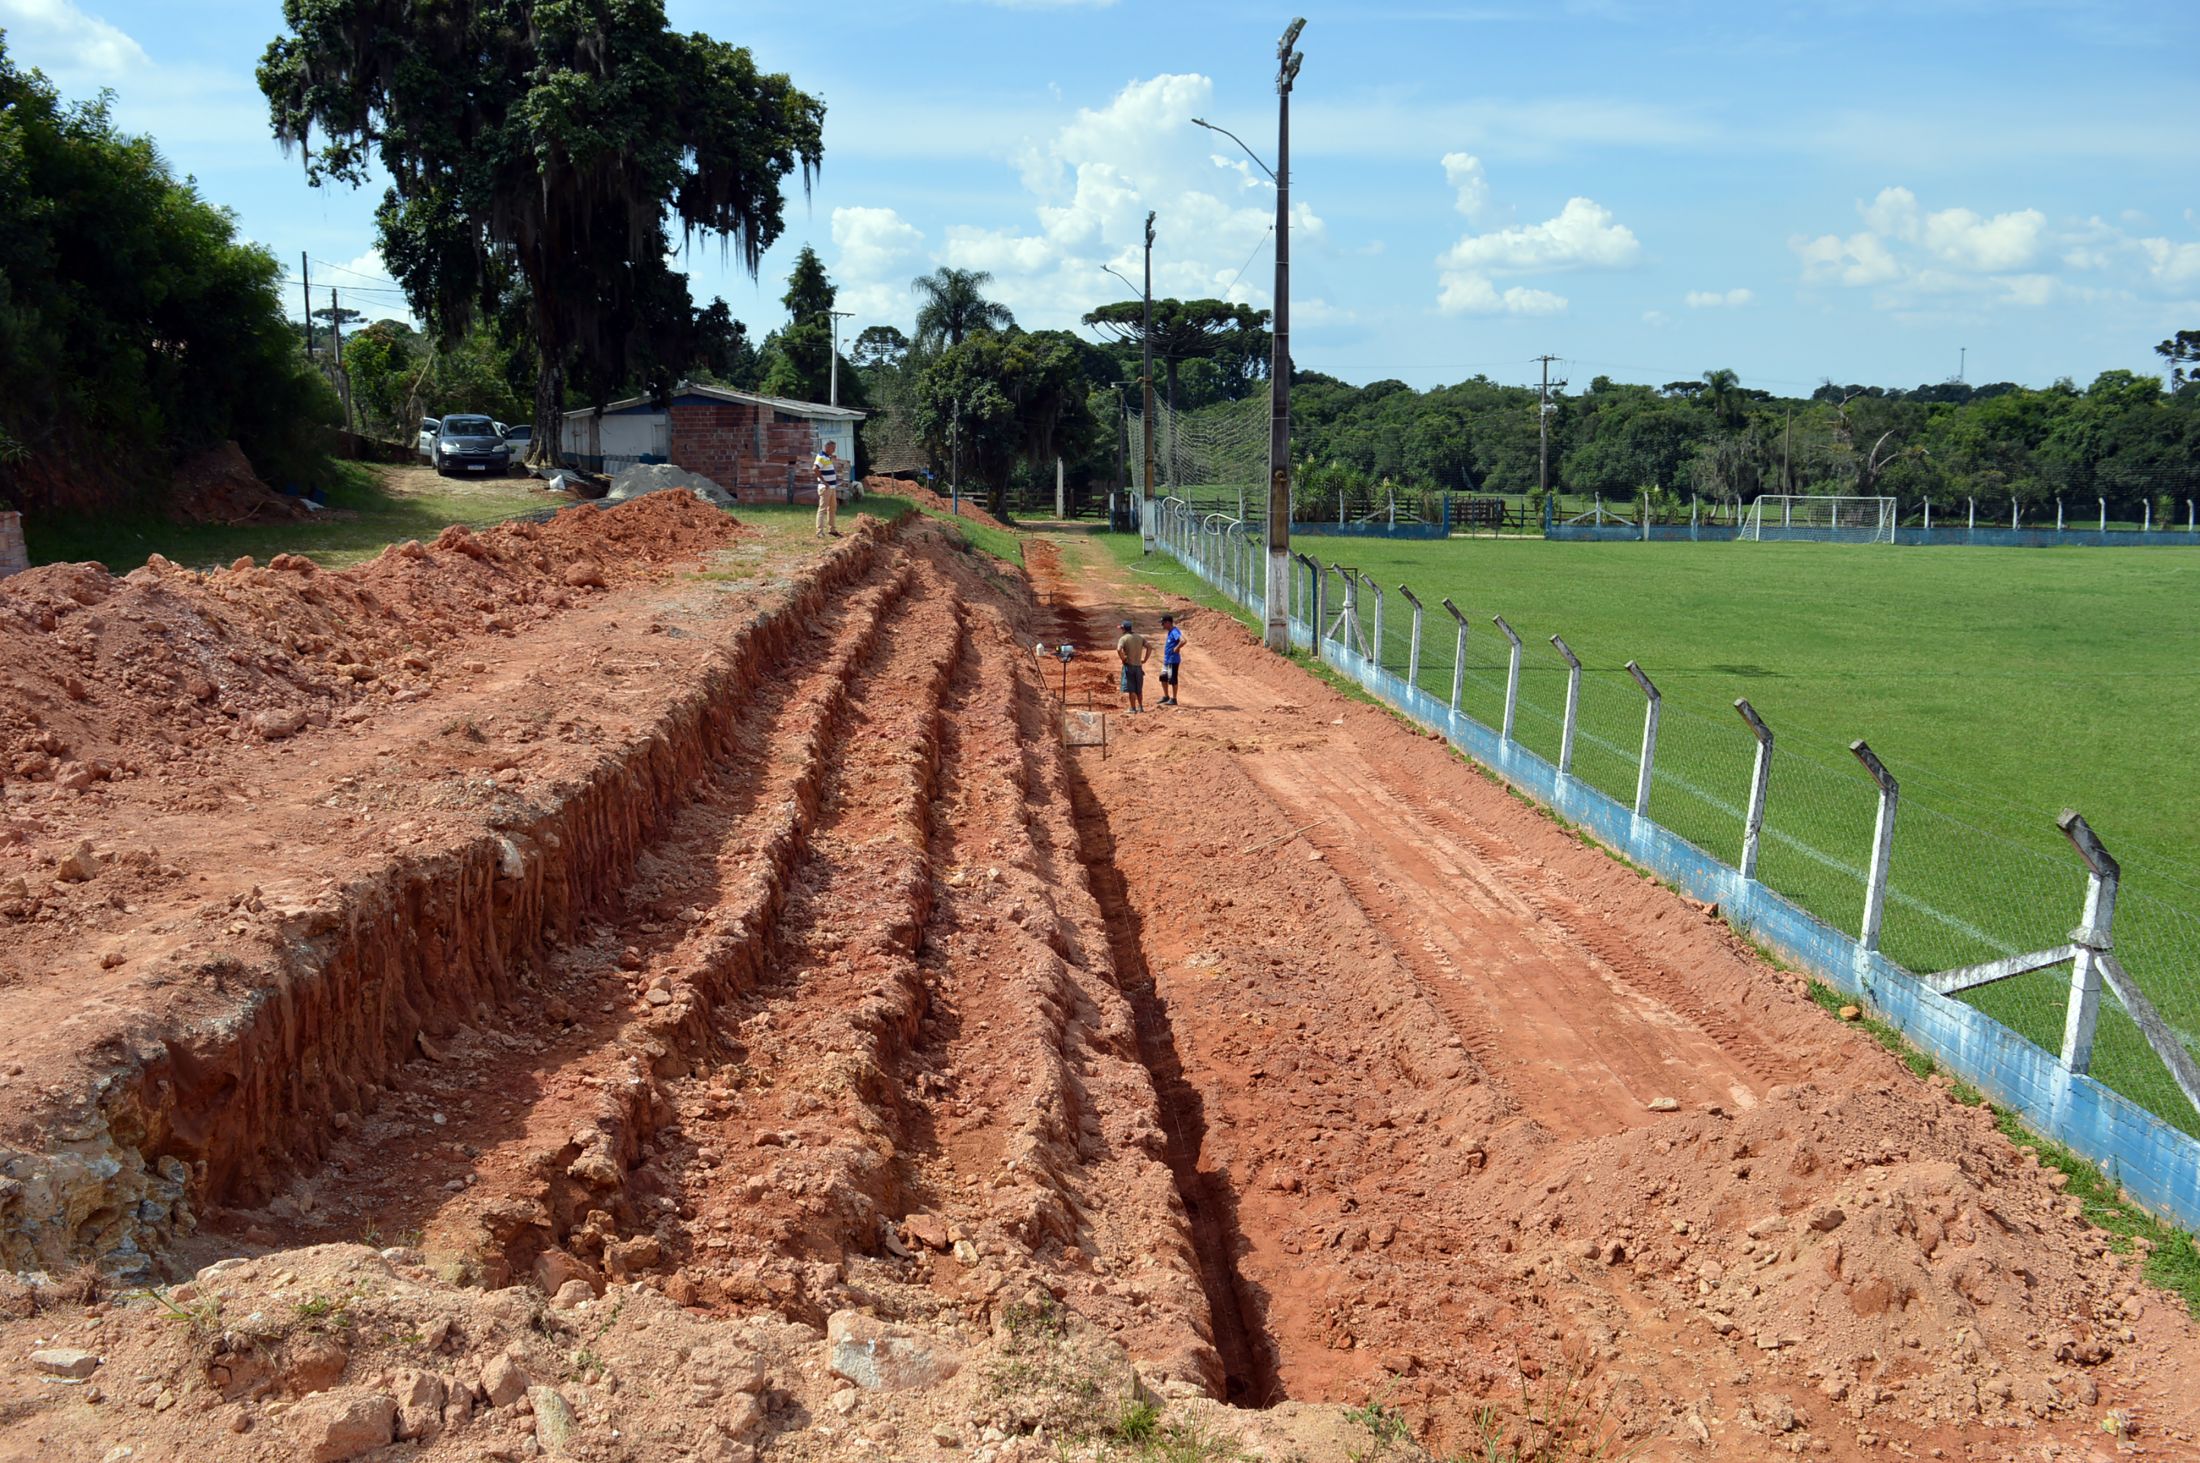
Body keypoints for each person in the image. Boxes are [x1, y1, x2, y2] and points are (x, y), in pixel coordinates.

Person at [1115, 618, 1149, 714]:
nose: (1121, 630)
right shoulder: (1139, 637)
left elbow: (1118, 649)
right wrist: (1145, 659)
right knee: (1139, 688)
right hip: (1138, 666)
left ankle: (1133, 708)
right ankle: (1141, 707)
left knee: (1131, 689)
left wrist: (1123, 658)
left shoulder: (1123, 639)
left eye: (1121, 629)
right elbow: (1149, 647)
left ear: (1124, 629)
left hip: (1129, 666)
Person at [813, 441, 842, 538]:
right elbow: (815, 468)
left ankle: (832, 529)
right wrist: (824, 482)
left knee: (832, 508)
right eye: (833, 448)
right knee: (822, 509)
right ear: (827, 447)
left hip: (832, 487)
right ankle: (819, 532)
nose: (834, 450)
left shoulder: (827, 457)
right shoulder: (821, 457)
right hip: (825, 488)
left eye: (835, 448)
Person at [1157, 613, 1185, 706]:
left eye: (1163, 623)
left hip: (1173, 660)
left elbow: (1183, 640)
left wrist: (1177, 648)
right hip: (1167, 660)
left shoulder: (1174, 631)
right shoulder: (1170, 632)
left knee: (1173, 680)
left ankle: (1174, 698)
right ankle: (1166, 696)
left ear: (1168, 622)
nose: (1162, 625)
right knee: (1163, 678)